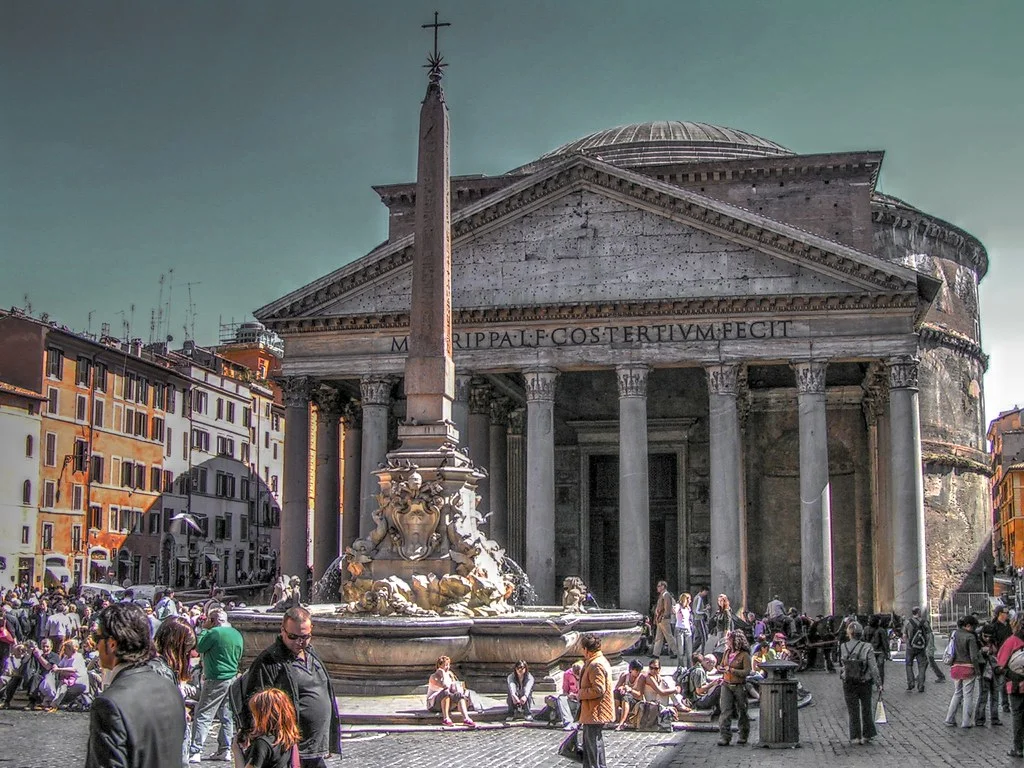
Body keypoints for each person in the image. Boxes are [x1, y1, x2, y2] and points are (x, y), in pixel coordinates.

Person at [84, 602, 186, 768]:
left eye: (97, 638)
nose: (96, 645)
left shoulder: (110, 703)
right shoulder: (171, 690)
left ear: (112, 644)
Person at [238, 607, 341, 767]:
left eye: (305, 637)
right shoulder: (269, 661)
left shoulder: (311, 654)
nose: (299, 642)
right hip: (291, 746)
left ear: (311, 630)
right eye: (293, 636)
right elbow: (254, 701)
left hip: (315, 746)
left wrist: (326, 742)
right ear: (282, 630)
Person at [189, 607, 244, 763]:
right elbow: (240, 655)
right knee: (227, 716)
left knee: (203, 714)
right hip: (232, 678)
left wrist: (204, 629)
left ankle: (195, 750)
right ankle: (225, 750)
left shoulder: (214, 633)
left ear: (213, 620)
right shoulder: (237, 633)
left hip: (216, 678)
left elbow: (198, 647)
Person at [839, 620, 882, 745]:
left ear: (849, 633)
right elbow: (873, 667)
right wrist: (879, 683)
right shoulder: (867, 647)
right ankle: (867, 735)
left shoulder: (843, 646)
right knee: (866, 708)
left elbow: (843, 664)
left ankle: (855, 736)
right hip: (864, 681)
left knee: (853, 710)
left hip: (848, 681)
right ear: (861, 633)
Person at [578, 634, 615, 768]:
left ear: (587, 649)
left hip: (595, 711)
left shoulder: (596, 664)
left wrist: (580, 693)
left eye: (583, 649)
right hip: (591, 712)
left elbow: (599, 689)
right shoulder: (597, 661)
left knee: (593, 746)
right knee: (592, 745)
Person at [243, 688, 302, 768]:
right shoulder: (288, 738)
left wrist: (236, 750)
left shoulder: (262, 743)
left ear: (263, 716)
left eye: (254, 713)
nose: (252, 718)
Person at [944, 614, 982, 728]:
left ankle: (949, 719)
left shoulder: (954, 634)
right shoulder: (970, 637)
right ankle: (966, 722)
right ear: (969, 626)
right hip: (968, 668)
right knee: (968, 695)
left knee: (957, 693)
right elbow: (974, 657)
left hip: (955, 667)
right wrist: (978, 671)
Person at [995, 616, 1024, 758]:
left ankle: (1019, 748)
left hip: (1017, 686)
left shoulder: (1012, 641)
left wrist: (1010, 674)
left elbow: (999, 666)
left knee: (1018, 716)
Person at [716, 630, 751, 746]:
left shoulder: (744, 655)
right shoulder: (727, 652)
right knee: (725, 710)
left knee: (742, 710)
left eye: (729, 640)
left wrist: (732, 670)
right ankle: (724, 736)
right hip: (726, 684)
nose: (727, 642)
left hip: (739, 685)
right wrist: (720, 668)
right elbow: (722, 664)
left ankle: (743, 734)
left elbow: (746, 671)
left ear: (735, 641)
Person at [425, 655, 476, 728]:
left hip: (448, 702)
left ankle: (466, 718)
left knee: (459, 694)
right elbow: (444, 686)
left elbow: (454, 687)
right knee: (445, 692)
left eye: (448, 665)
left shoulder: (450, 675)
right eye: (445, 665)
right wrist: (442, 674)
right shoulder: (434, 677)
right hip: (434, 705)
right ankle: (446, 718)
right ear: (439, 666)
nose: (448, 667)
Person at [45, 638, 89, 710]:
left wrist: (59, 670)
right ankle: (51, 702)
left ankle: (54, 704)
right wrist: (55, 666)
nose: (64, 650)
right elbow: (59, 665)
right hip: (68, 679)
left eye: (66, 648)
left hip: (78, 682)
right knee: (56, 681)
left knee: (63, 684)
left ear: (71, 649)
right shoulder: (66, 657)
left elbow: (73, 670)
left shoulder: (78, 656)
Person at [976, 624, 1003, 726]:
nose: (987, 639)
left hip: (994, 671)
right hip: (984, 671)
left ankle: (995, 718)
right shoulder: (978, 643)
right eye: (985, 636)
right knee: (983, 696)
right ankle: (980, 719)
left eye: (989, 637)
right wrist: (982, 652)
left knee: (995, 695)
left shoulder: (994, 642)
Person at [903, 607, 931, 692]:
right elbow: (929, 635)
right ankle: (921, 685)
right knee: (921, 666)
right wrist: (925, 644)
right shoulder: (924, 622)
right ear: (918, 612)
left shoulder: (907, 622)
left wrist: (908, 643)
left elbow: (904, 635)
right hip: (921, 648)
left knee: (909, 665)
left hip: (910, 647)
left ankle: (910, 683)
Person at [613, 659, 644, 730]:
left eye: (639, 671)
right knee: (616, 693)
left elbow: (639, 694)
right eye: (636, 671)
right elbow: (616, 687)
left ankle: (622, 723)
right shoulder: (625, 676)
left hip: (635, 701)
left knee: (626, 697)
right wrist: (621, 688)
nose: (638, 673)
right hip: (625, 699)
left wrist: (631, 690)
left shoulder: (641, 678)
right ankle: (615, 716)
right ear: (631, 670)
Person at [863, 614, 890, 687]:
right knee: (880, 668)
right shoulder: (881, 630)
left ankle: (870, 681)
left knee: (870, 667)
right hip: (880, 651)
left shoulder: (866, 629)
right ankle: (880, 684)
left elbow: (863, 641)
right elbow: (884, 642)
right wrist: (887, 652)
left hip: (869, 651)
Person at [651, 580, 677, 658]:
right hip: (659, 618)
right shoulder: (662, 595)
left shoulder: (666, 595)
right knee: (658, 637)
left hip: (663, 619)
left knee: (668, 636)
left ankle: (676, 652)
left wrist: (664, 616)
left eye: (659, 586)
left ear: (663, 587)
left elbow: (667, 607)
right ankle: (656, 653)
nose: (657, 588)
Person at [674, 592, 693, 666]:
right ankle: (681, 667)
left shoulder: (688, 608)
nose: (690, 601)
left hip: (688, 629)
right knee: (680, 650)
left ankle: (689, 666)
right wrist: (674, 610)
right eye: (689, 599)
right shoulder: (679, 606)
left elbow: (688, 618)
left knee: (689, 651)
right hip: (679, 629)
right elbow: (675, 610)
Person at [692, 586, 710, 654]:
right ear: (703, 591)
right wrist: (705, 610)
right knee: (704, 636)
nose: (706, 594)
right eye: (706, 592)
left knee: (699, 638)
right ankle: (703, 652)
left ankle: (692, 650)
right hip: (700, 619)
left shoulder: (696, 597)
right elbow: (697, 610)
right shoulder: (699, 598)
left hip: (696, 619)